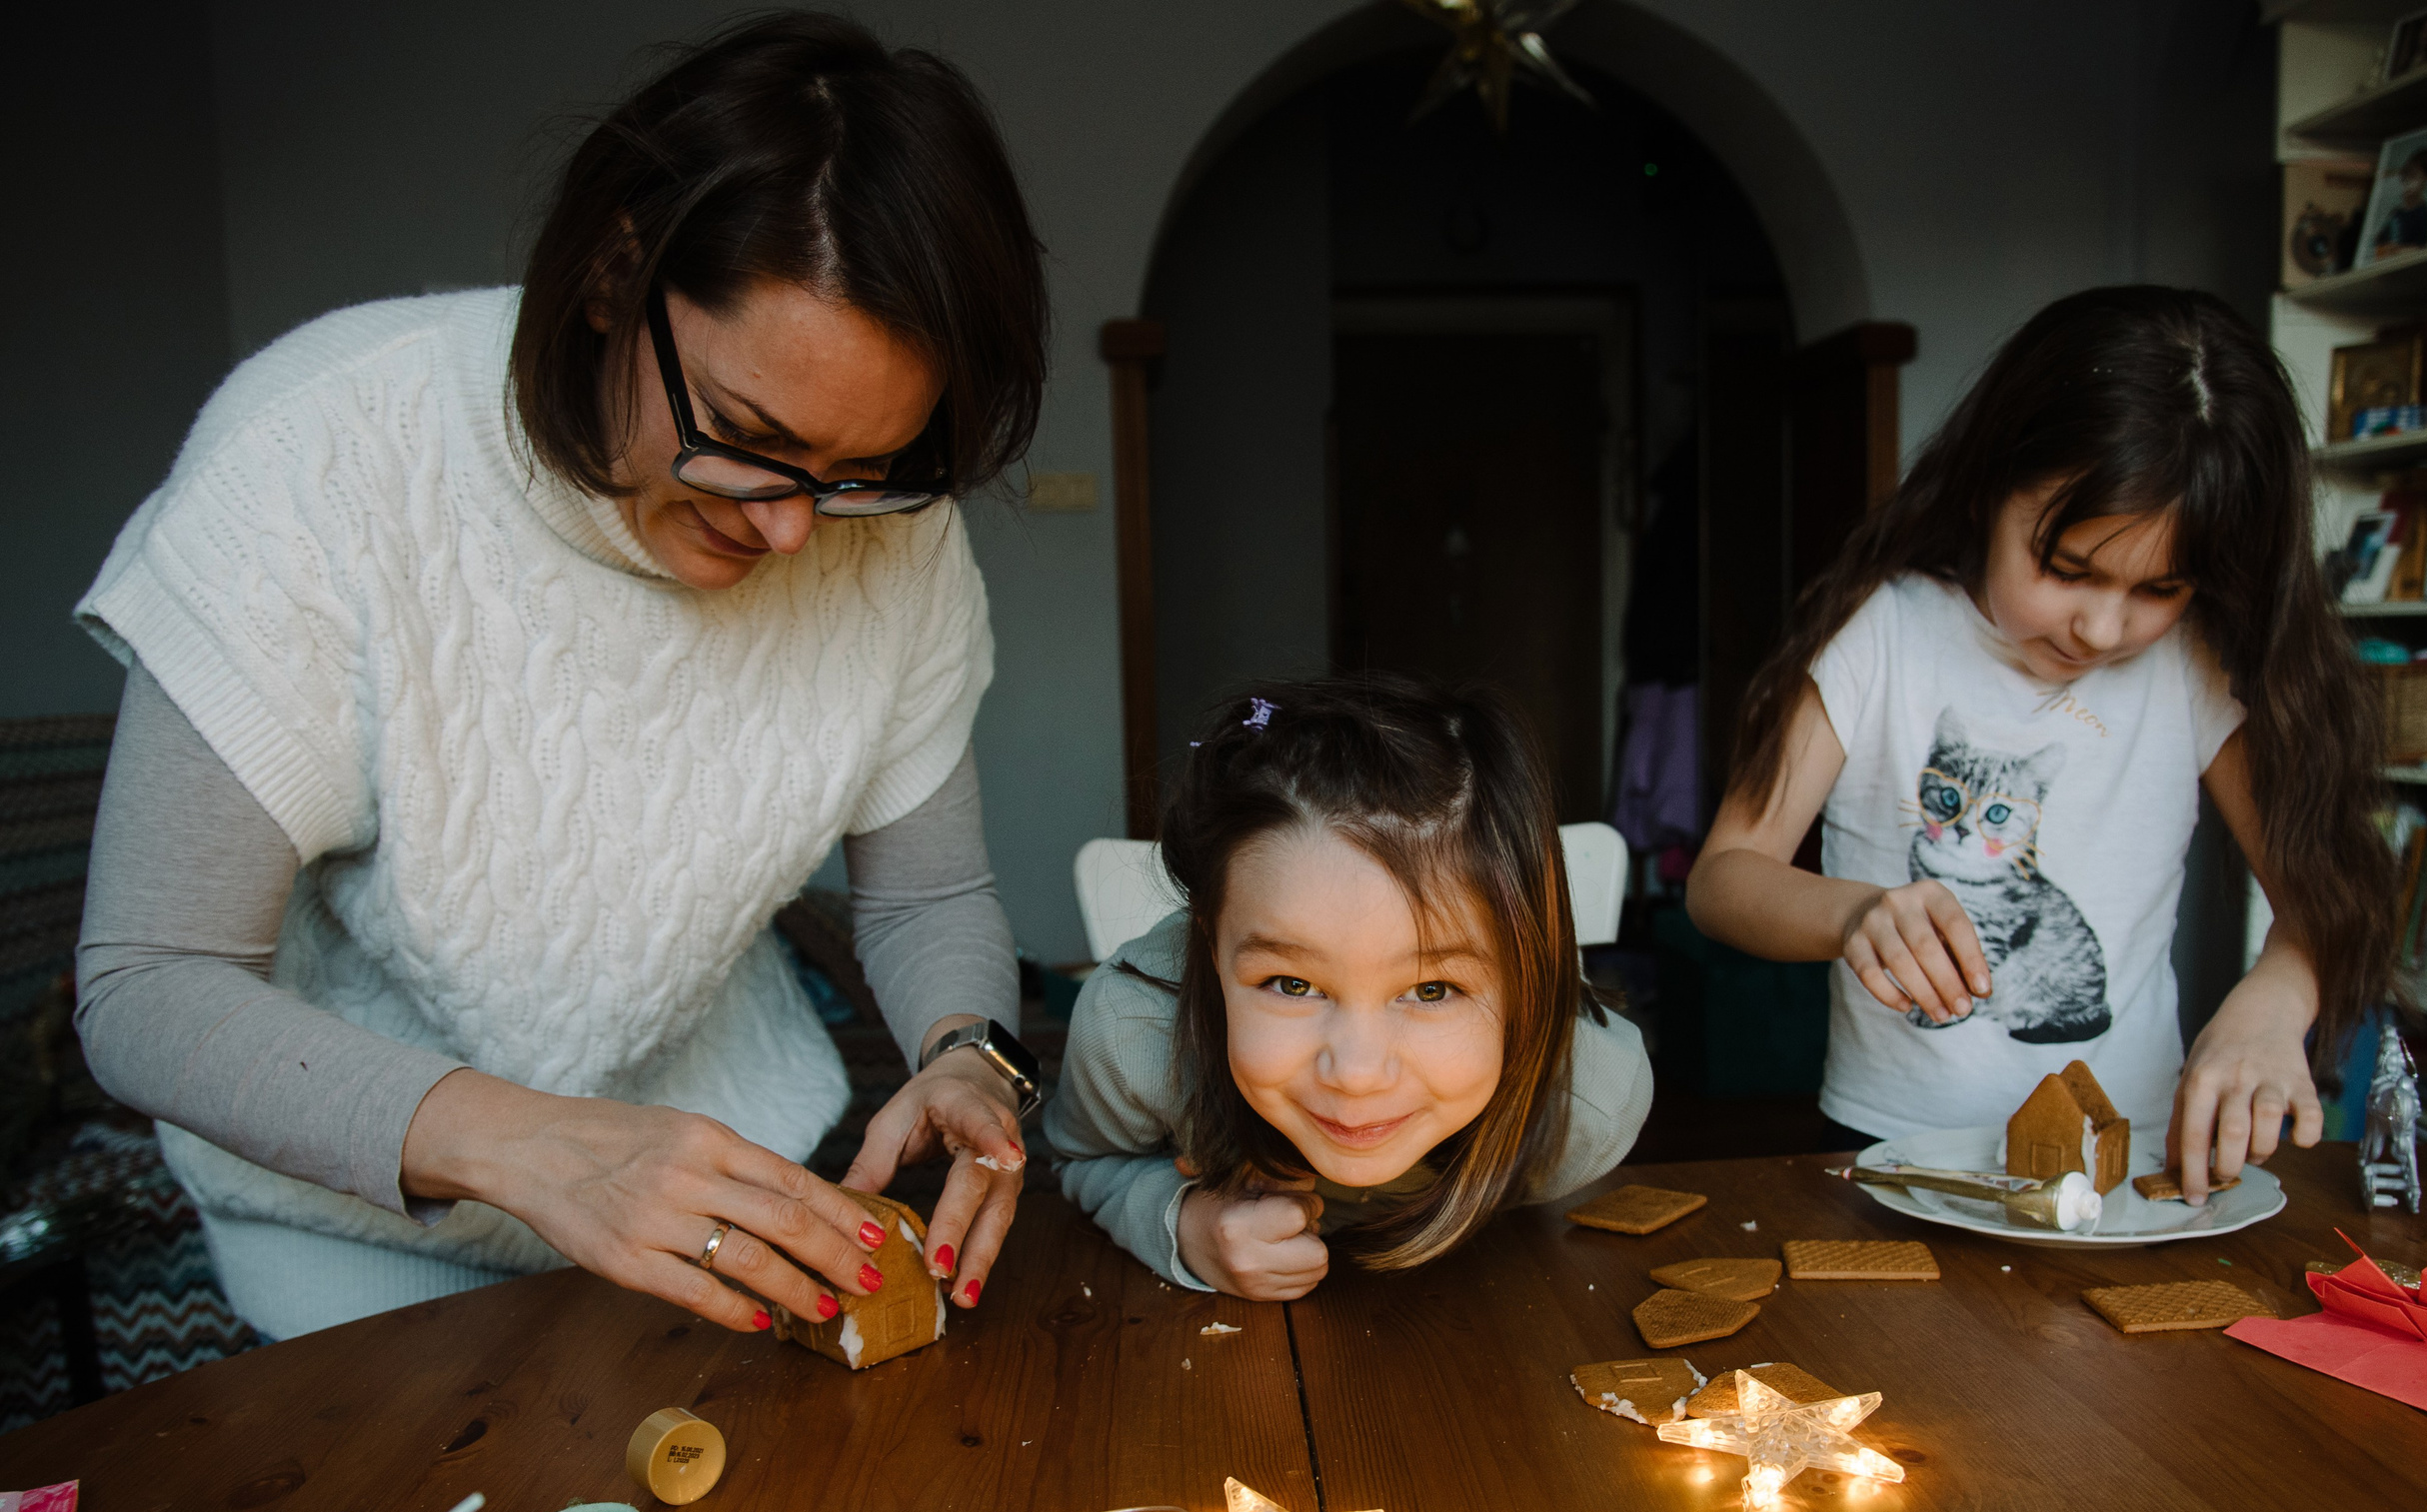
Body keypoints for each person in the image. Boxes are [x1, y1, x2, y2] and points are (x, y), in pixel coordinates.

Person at [71, 14, 1051, 1340]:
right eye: (745, 434)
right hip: (356, 1240)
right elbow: (149, 983)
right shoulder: (315, 458)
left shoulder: (892, 533)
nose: (791, 531)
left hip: (724, 1206)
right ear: (611, 272)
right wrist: (543, 1148)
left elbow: (927, 891)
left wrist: (971, 1056)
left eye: (857, 471)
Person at [1686, 286, 2395, 1204]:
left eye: (2159, 589)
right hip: (1894, 1146)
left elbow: (2324, 893)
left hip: (2129, 1156)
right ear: (1991, 484)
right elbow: (1724, 878)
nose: (2101, 628)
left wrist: (2276, 1001)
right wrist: (1855, 913)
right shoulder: (1883, 630)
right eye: (2068, 568)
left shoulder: (2194, 663)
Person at [1046, 679, 1654, 1300]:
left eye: (1432, 990)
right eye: (1293, 984)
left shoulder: (1582, 1108)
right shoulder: (1133, 1033)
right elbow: (1081, 1161)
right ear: (1209, 943)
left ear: (1528, 974)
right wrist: (1182, 1224)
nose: (1357, 1075)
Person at [2371, 150, 2427, 257]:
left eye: (2414, 176)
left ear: (2426, 178)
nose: (2407, 181)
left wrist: (2396, 250)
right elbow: (2379, 241)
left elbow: (2420, 248)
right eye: (2405, 175)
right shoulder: (2396, 213)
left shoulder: (2423, 214)